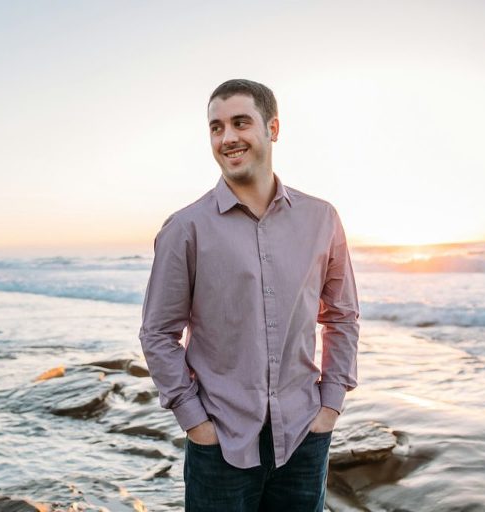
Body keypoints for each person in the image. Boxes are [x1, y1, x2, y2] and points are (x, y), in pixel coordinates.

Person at [138, 78, 360, 511]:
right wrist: (195, 421)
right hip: (220, 442)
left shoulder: (322, 219)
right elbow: (157, 333)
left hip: (303, 435)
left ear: (273, 128)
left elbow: (342, 316)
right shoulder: (185, 228)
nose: (227, 137)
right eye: (216, 127)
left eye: (241, 122)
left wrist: (329, 405)